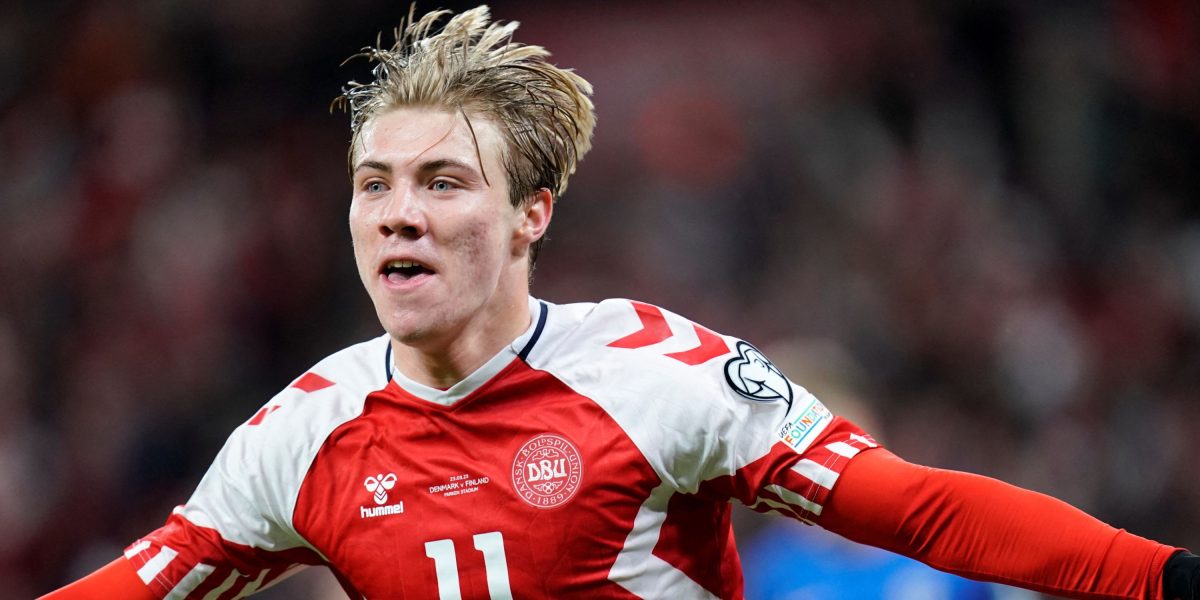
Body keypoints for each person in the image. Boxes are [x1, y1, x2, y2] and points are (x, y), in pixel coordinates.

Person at [40, 5, 1200, 599]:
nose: (398, 214)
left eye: (443, 183)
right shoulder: (303, 435)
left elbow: (919, 510)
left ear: (530, 214)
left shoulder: (655, 374)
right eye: (374, 184)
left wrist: (1162, 577)